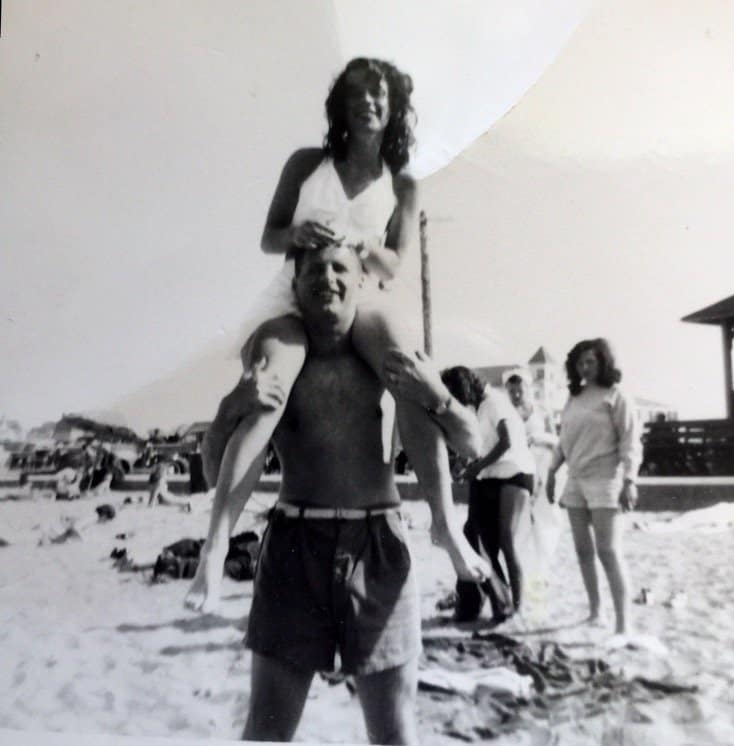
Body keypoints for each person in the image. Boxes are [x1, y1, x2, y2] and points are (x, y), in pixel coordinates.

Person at [185, 57, 476, 613]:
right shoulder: (306, 164)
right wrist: (297, 231)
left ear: (394, 110)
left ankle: (445, 526)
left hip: (361, 289)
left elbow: (395, 263)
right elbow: (269, 238)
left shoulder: (404, 183)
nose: (368, 102)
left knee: (408, 372)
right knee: (268, 387)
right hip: (294, 289)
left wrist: (368, 249)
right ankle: (216, 545)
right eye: (358, 94)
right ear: (342, 105)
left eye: (380, 95)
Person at [236, 244, 489, 743]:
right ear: (295, 283)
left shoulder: (387, 350)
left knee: (394, 734)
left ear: (361, 282)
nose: (326, 278)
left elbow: (472, 443)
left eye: (339, 269)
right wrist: (229, 409)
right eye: (314, 270)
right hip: (294, 542)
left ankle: (446, 527)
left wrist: (435, 392)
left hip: (376, 542)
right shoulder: (279, 355)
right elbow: (217, 462)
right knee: (266, 732)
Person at [546, 338, 641, 635]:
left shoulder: (616, 395)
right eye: (580, 363)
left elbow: (630, 441)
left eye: (590, 361)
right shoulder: (574, 397)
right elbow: (564, 441)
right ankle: (596, 612)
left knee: (608, 551)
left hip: (606, 479)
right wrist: (551, 472)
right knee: (583, 551)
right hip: (575, 480)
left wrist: (630, 480)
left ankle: (624, 626)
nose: (585, 368)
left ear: (603, 362)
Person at [438, 367, 536, 622]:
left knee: (506, 541)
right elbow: (479, 447)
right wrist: (465, 465)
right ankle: (472, 604)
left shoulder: (495, 402)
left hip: (515, 474)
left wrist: (478, 467)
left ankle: (516, 606)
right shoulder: (476, 409)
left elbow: (507, 442)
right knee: (473, 540)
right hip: (489, 477)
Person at [504, 368, 558, 496]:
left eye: (520, 391)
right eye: (512, 391)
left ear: (527, 389)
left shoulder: (542, 410)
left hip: (541, 462)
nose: (516, 395)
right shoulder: (504, 413)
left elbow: (556, 441)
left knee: (543, 507)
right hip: (516, 466)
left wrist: (535, 437)